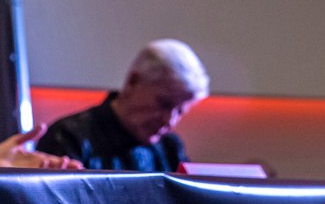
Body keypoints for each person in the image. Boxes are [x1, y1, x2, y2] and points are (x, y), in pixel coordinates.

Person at [35, 39, 209, 171]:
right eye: (164, 103)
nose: (170, 121)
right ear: (134, 81)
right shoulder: (69, 136)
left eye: (180, 111)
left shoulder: (170, 147)